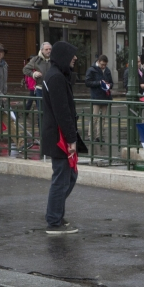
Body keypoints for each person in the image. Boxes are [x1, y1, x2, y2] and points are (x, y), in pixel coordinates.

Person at [41, 41, 83, 234]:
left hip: (58, 135)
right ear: (64, 56)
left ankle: (55, 213)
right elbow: (62, 112)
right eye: (72, 54)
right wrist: (71, 139)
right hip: (59, 137)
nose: (75, 58)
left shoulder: (57, 75)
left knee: (69, 176)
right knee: (62, 178)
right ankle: (53, 221)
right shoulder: (56, 78)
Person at [85, 54, 114, 142]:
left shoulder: (107, 70)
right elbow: (87, 82)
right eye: (102, 64)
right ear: (98, 62)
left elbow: (111, 82)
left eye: (105, 65)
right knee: (95, 117)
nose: (103, 66)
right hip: (96, 96)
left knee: (103, 118)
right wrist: (99, 83)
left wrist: (109, 85)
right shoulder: (92, 70)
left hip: (105, 96)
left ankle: (99, 135)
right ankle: (90, 135)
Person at [23, 42, 52, 128]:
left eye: (50, 49)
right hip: (40, 89)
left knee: (52, 111)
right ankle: (41, 132)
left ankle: (51, 132)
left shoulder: (54, 59)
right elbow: (25, 69)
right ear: (42, 50)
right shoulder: (36, 60)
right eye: (46, 49)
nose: (48, 51)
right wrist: (33, 74)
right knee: (41, 111)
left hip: (52, 89)